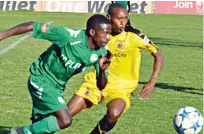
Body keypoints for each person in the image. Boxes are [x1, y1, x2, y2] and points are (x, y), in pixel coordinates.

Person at [0, 14, 112, 134]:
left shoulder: (102, 53)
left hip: (57, 88)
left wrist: (102, 70)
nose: (109, 37)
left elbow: (101, 86)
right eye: (105, 33)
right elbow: (32, 26)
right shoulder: (69, 36)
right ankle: (17, 132)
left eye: (109, 33)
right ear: (92, 32)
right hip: (41, 78)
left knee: (43, 128)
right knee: (65, 120)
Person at [67, 3, 164, 134]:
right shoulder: (99, 33)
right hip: (96, 82)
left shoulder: (134, 35)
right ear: (108, 17)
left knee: (114, 113)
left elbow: (158, 55)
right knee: (64, 117)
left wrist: (152, 82)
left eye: (125, 18)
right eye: (119, 18)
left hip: (122, 88)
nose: (123, 22)